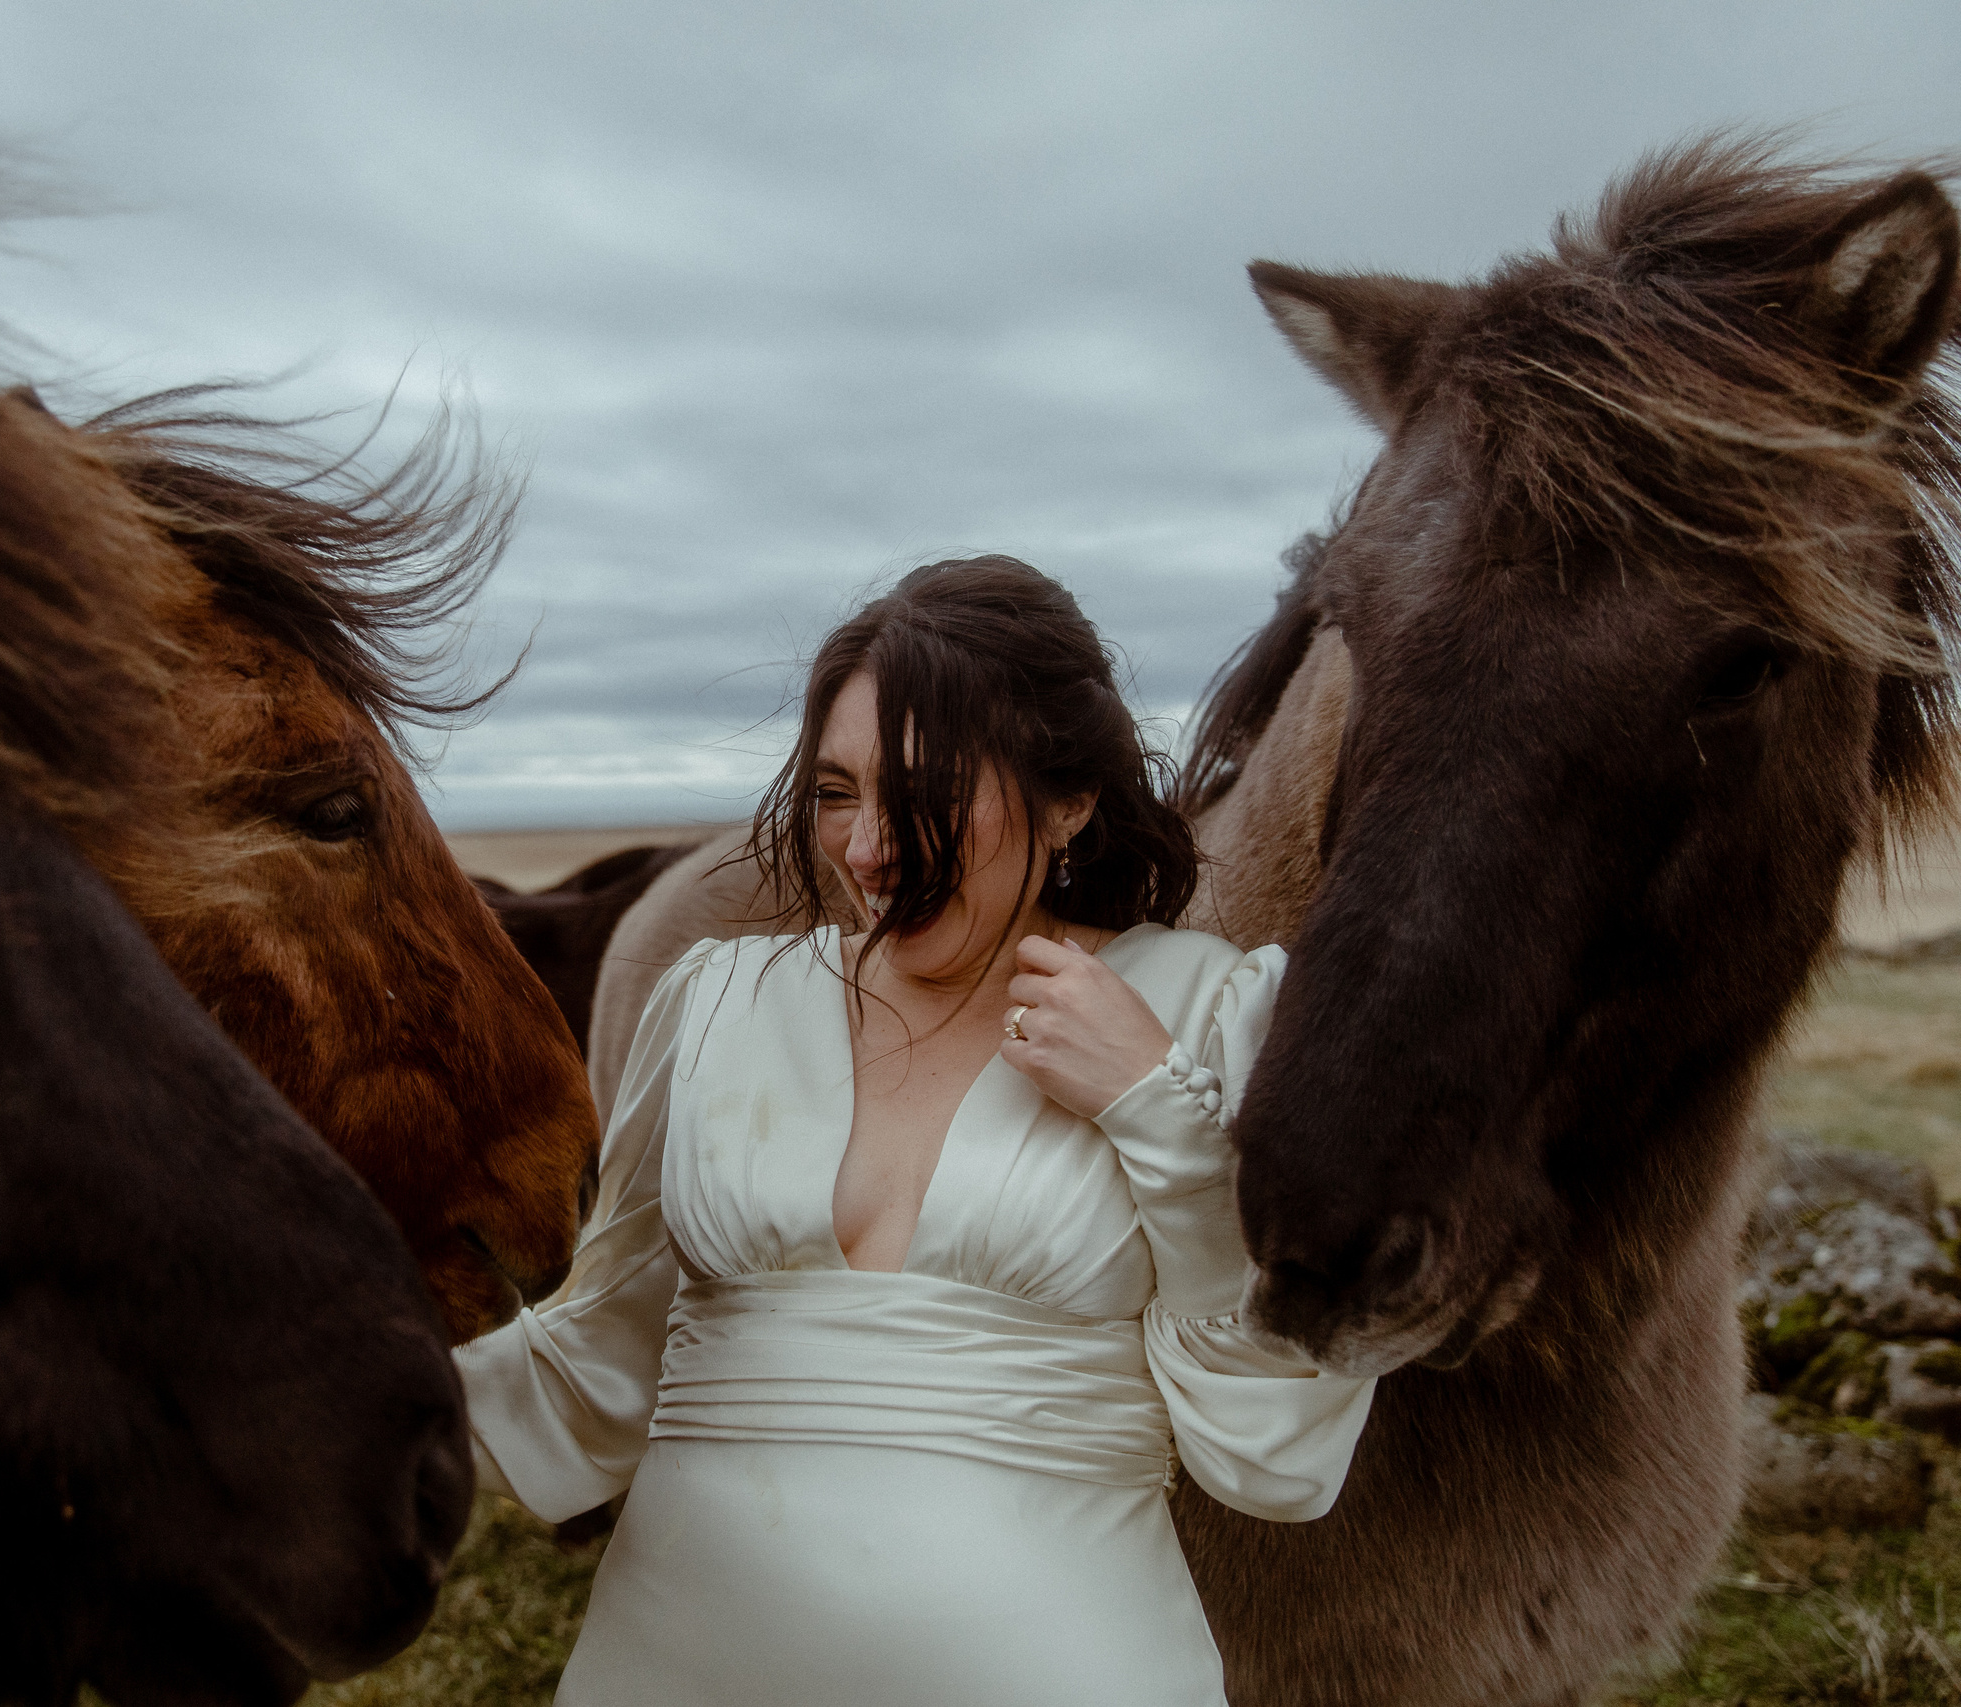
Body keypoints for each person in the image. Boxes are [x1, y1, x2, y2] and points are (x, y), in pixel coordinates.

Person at [454, 556, 1376, 1705]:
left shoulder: (1205, 1008)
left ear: (1069, 800)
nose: (866, 849)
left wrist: (1157, 1110)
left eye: (928, 791)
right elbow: (598, 1357)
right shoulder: (718, 1000)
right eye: (836, 793)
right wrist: (321, 1390)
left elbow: (1272, 1447)